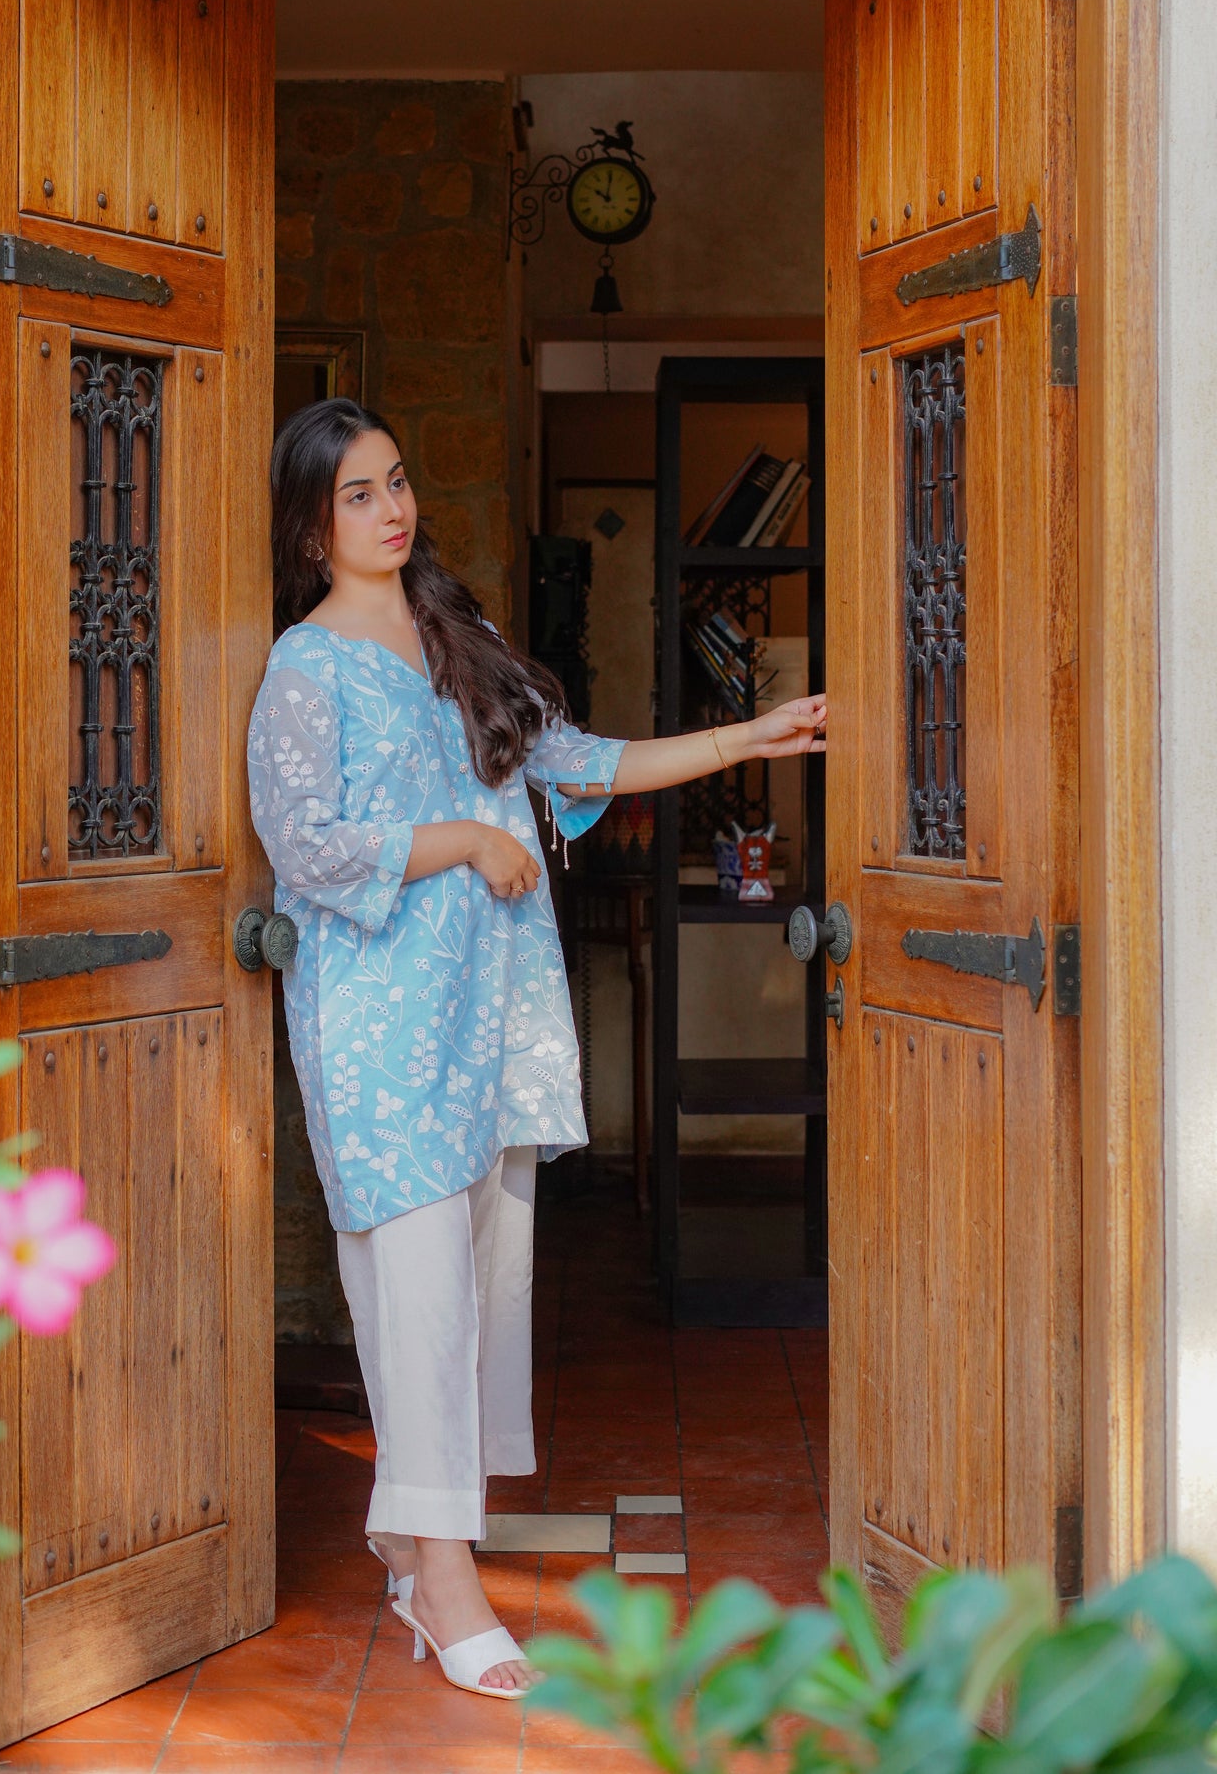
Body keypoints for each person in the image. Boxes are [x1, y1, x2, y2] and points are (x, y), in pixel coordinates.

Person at [247, 398, 826, 1701]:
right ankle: (442, 1584)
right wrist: (460, 841)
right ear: (306, 522)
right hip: (380, 1024)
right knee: (413, 1293)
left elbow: (575, 762)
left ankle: (411, 1532)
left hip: (490, 1012)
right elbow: (307, 847)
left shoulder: (462, 638)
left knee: (478, 1281)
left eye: (394, 482)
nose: (390, 509)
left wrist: (749, 735)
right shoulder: (304, 667)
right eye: (355, 494)